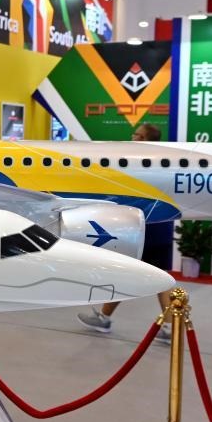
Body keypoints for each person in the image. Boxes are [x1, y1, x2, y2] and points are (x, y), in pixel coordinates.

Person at [77, 121, 173, 343]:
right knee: (155, 277)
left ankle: (106, 318)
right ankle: (166, 326)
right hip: (160, 227)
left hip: (147, 228)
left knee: (136, 273)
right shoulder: (163, 162)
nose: (133, 137)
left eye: (137, 134)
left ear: (144, 139)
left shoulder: (139, 164)